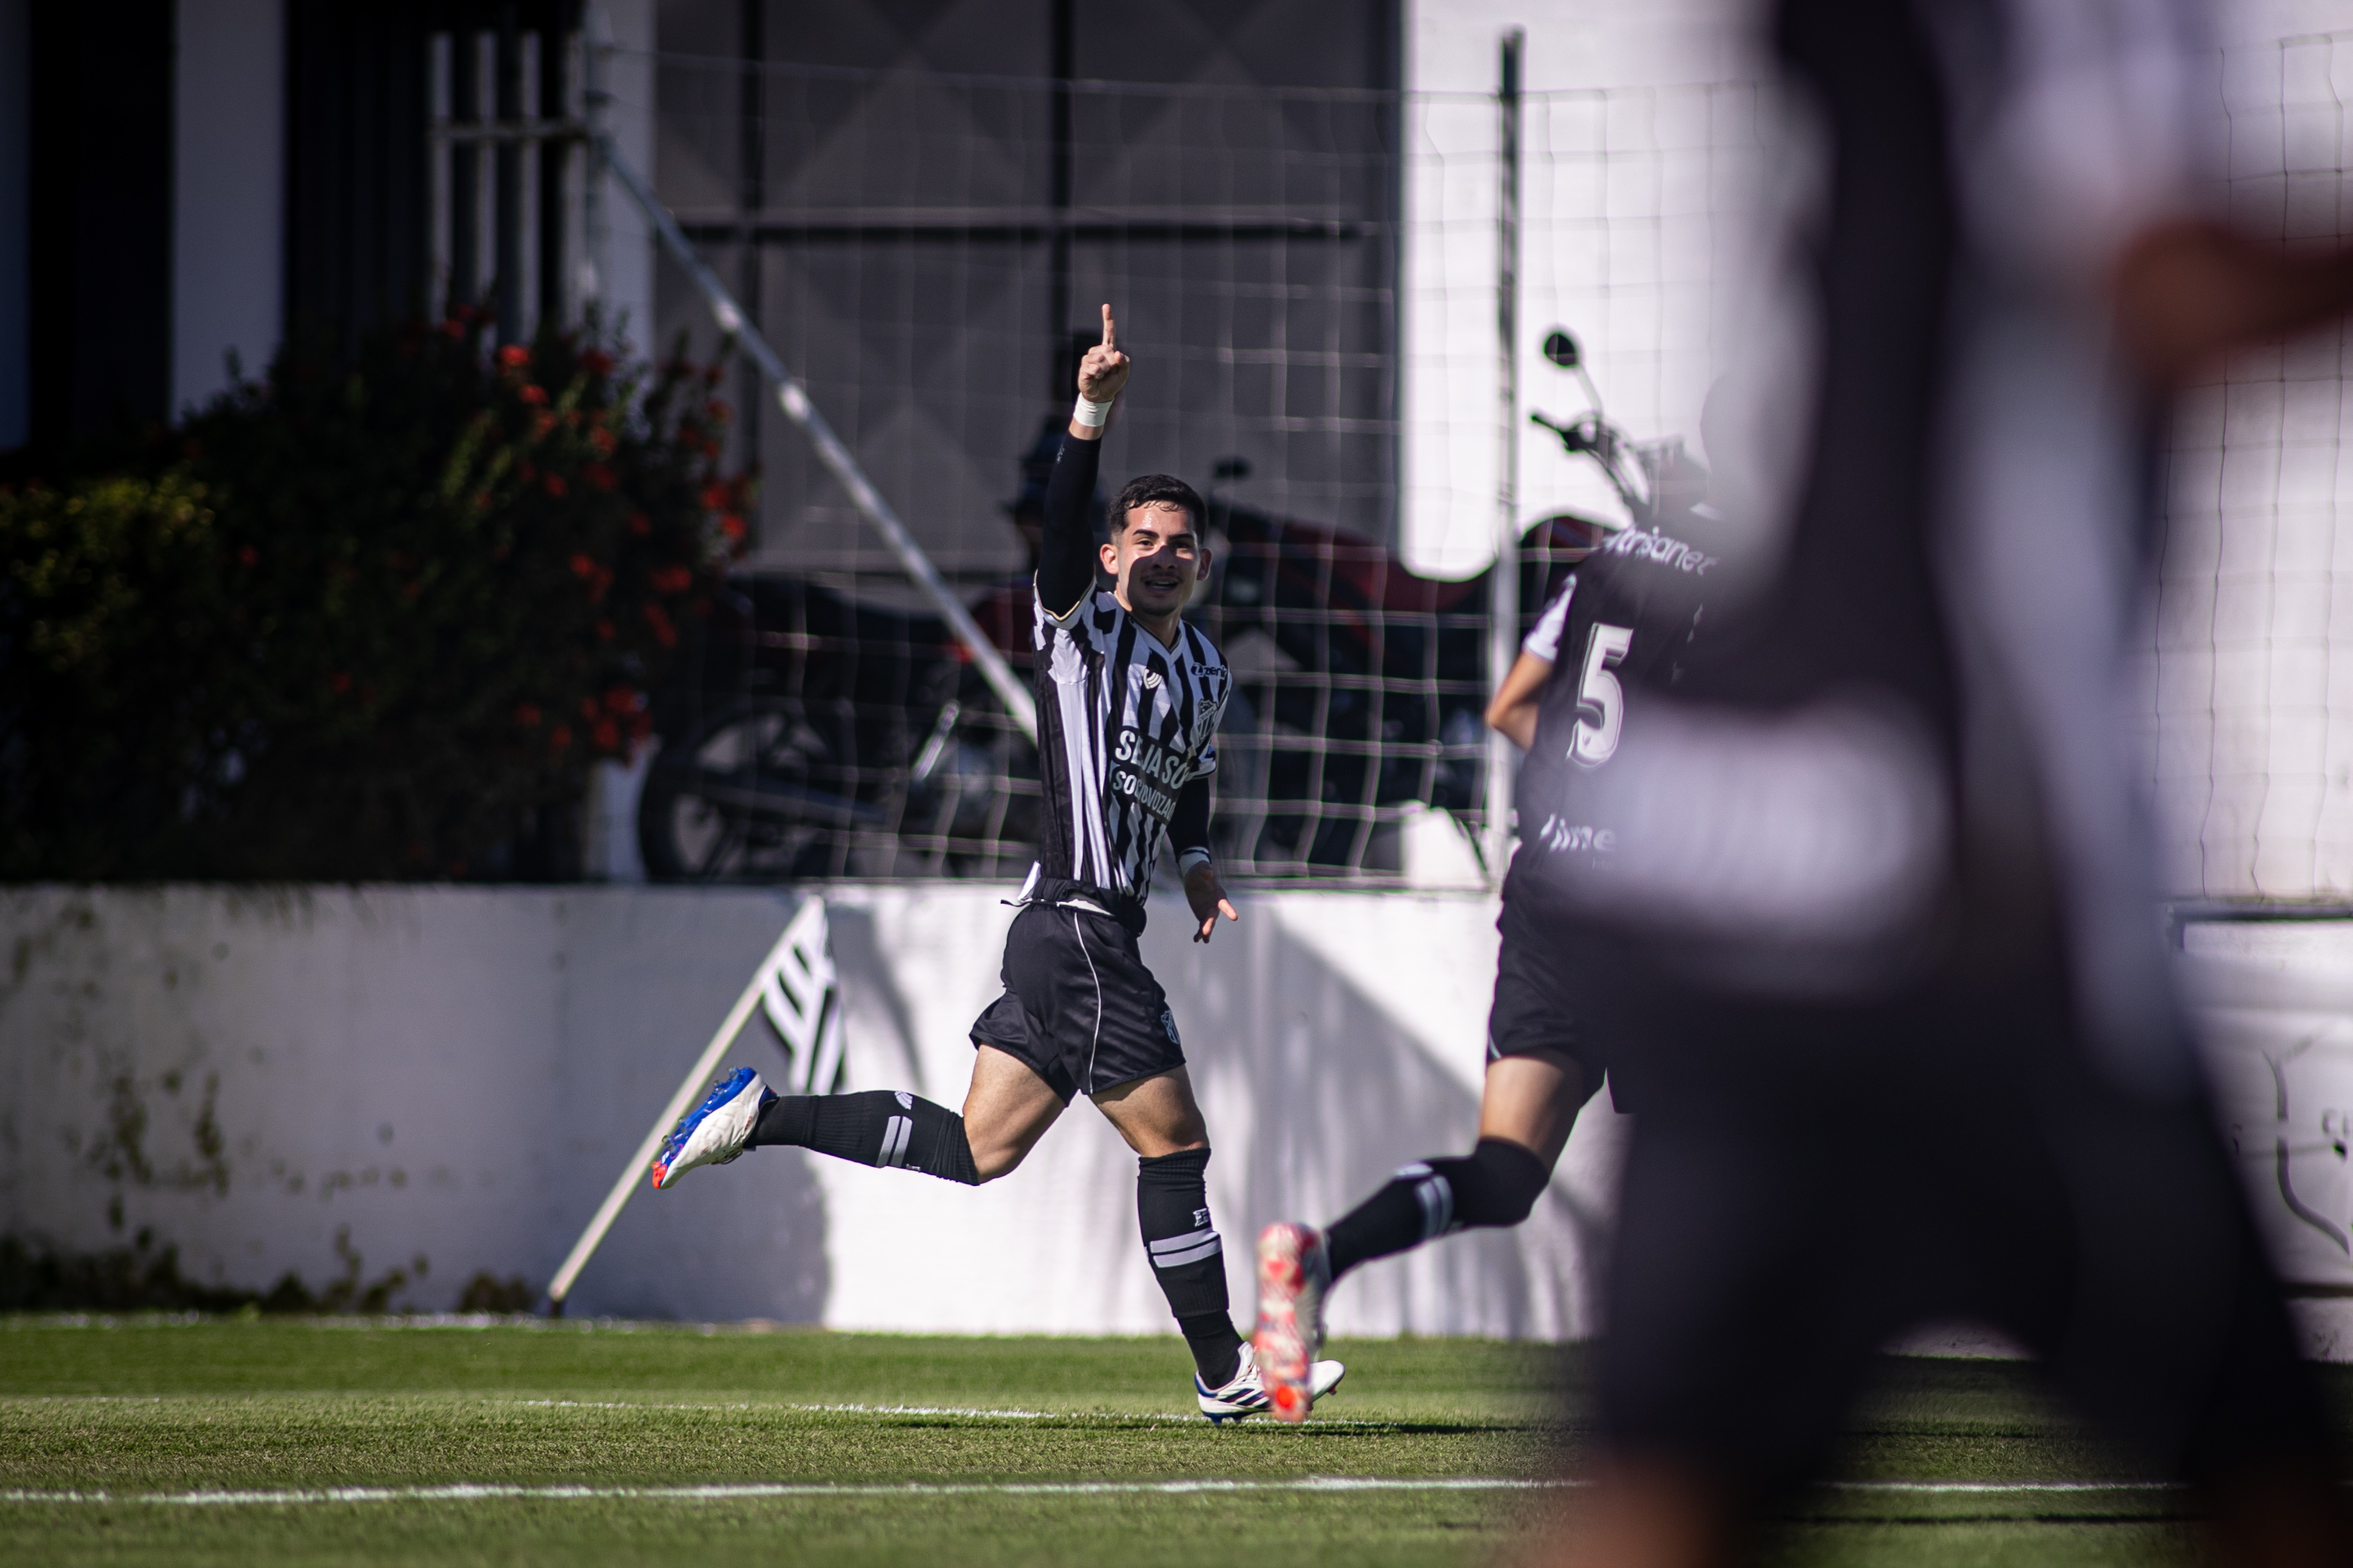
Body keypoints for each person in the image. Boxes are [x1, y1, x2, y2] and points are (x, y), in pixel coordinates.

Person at [1515, 0, 2353, 1563]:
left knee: (1663, 1485)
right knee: (2272, 1489)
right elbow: (2160, 277)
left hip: (1722, 853)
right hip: (1940, 868)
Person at [646, 306, 1342, 1423]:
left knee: (979, 1150)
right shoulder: (1079, 629)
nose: (1161, 557)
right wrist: (1091, 413)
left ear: (1202, 566)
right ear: (1112, 557)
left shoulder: (1205, 669)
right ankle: (1226, 1372)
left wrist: (1201, 862)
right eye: (1143, 541)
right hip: (1074, 925)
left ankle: (760, 1114)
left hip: (1077, 933)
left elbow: (1192, 778)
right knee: (1178, 1143)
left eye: (1181, 545)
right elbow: (1061, 523)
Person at [1251, 476, 1730, 1424]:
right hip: (1643, 907)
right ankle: (1693, 1394)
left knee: (1505, 1173)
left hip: (1550, 891)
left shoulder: (1597, 568)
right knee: (1714, 1157)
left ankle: (1319, 1255)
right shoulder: (1736, 594)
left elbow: (1515, 705)